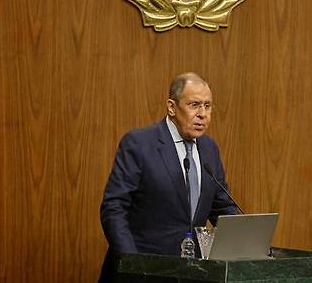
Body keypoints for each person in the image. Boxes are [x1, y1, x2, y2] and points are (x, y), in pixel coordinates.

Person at [99, 73, 238, 281]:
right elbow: (113, 208)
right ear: (172, 107)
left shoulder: (209, 149)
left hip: (191, 274)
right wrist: (133, 263)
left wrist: (249, 239)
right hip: (142, 272)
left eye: (207, 106)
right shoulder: (139, 144)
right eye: (194, 105)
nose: (202, 114)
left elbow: (222, 207)